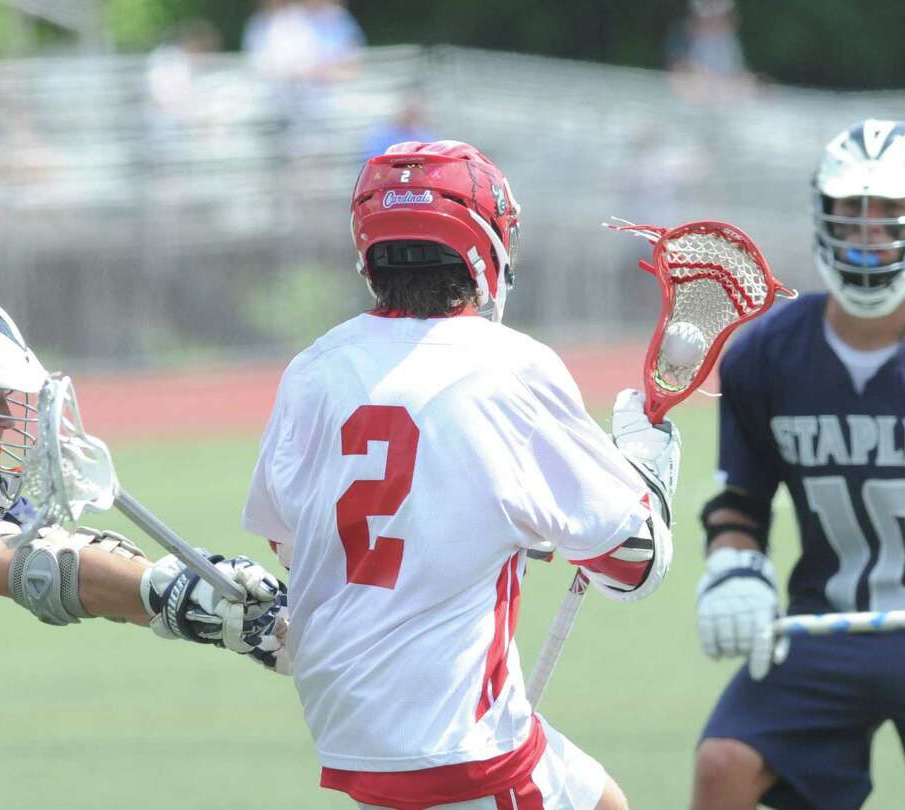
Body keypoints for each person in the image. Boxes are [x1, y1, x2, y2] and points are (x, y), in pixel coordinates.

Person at [241, 140, 681, 809]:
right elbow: (631, 566)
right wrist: (647, 473)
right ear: (486, 244)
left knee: (601, 800)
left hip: (346, 721)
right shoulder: (509, 366)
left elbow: (294, 543)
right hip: (457, 738)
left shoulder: (314, 367)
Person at [0, 288, 287, 809]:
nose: (6, 422)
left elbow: (64, 548)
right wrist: (177, 596)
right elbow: (40, 572)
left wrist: (207, 597)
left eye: (2, 402)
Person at [691, 119, 905, 810]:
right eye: (852, 211)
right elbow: (740, 501)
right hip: (829, 621)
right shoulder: (766, 354)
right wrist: (734, 568)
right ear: (824, 214)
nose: (869, 231)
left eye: (890, 212)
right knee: (724, 764)